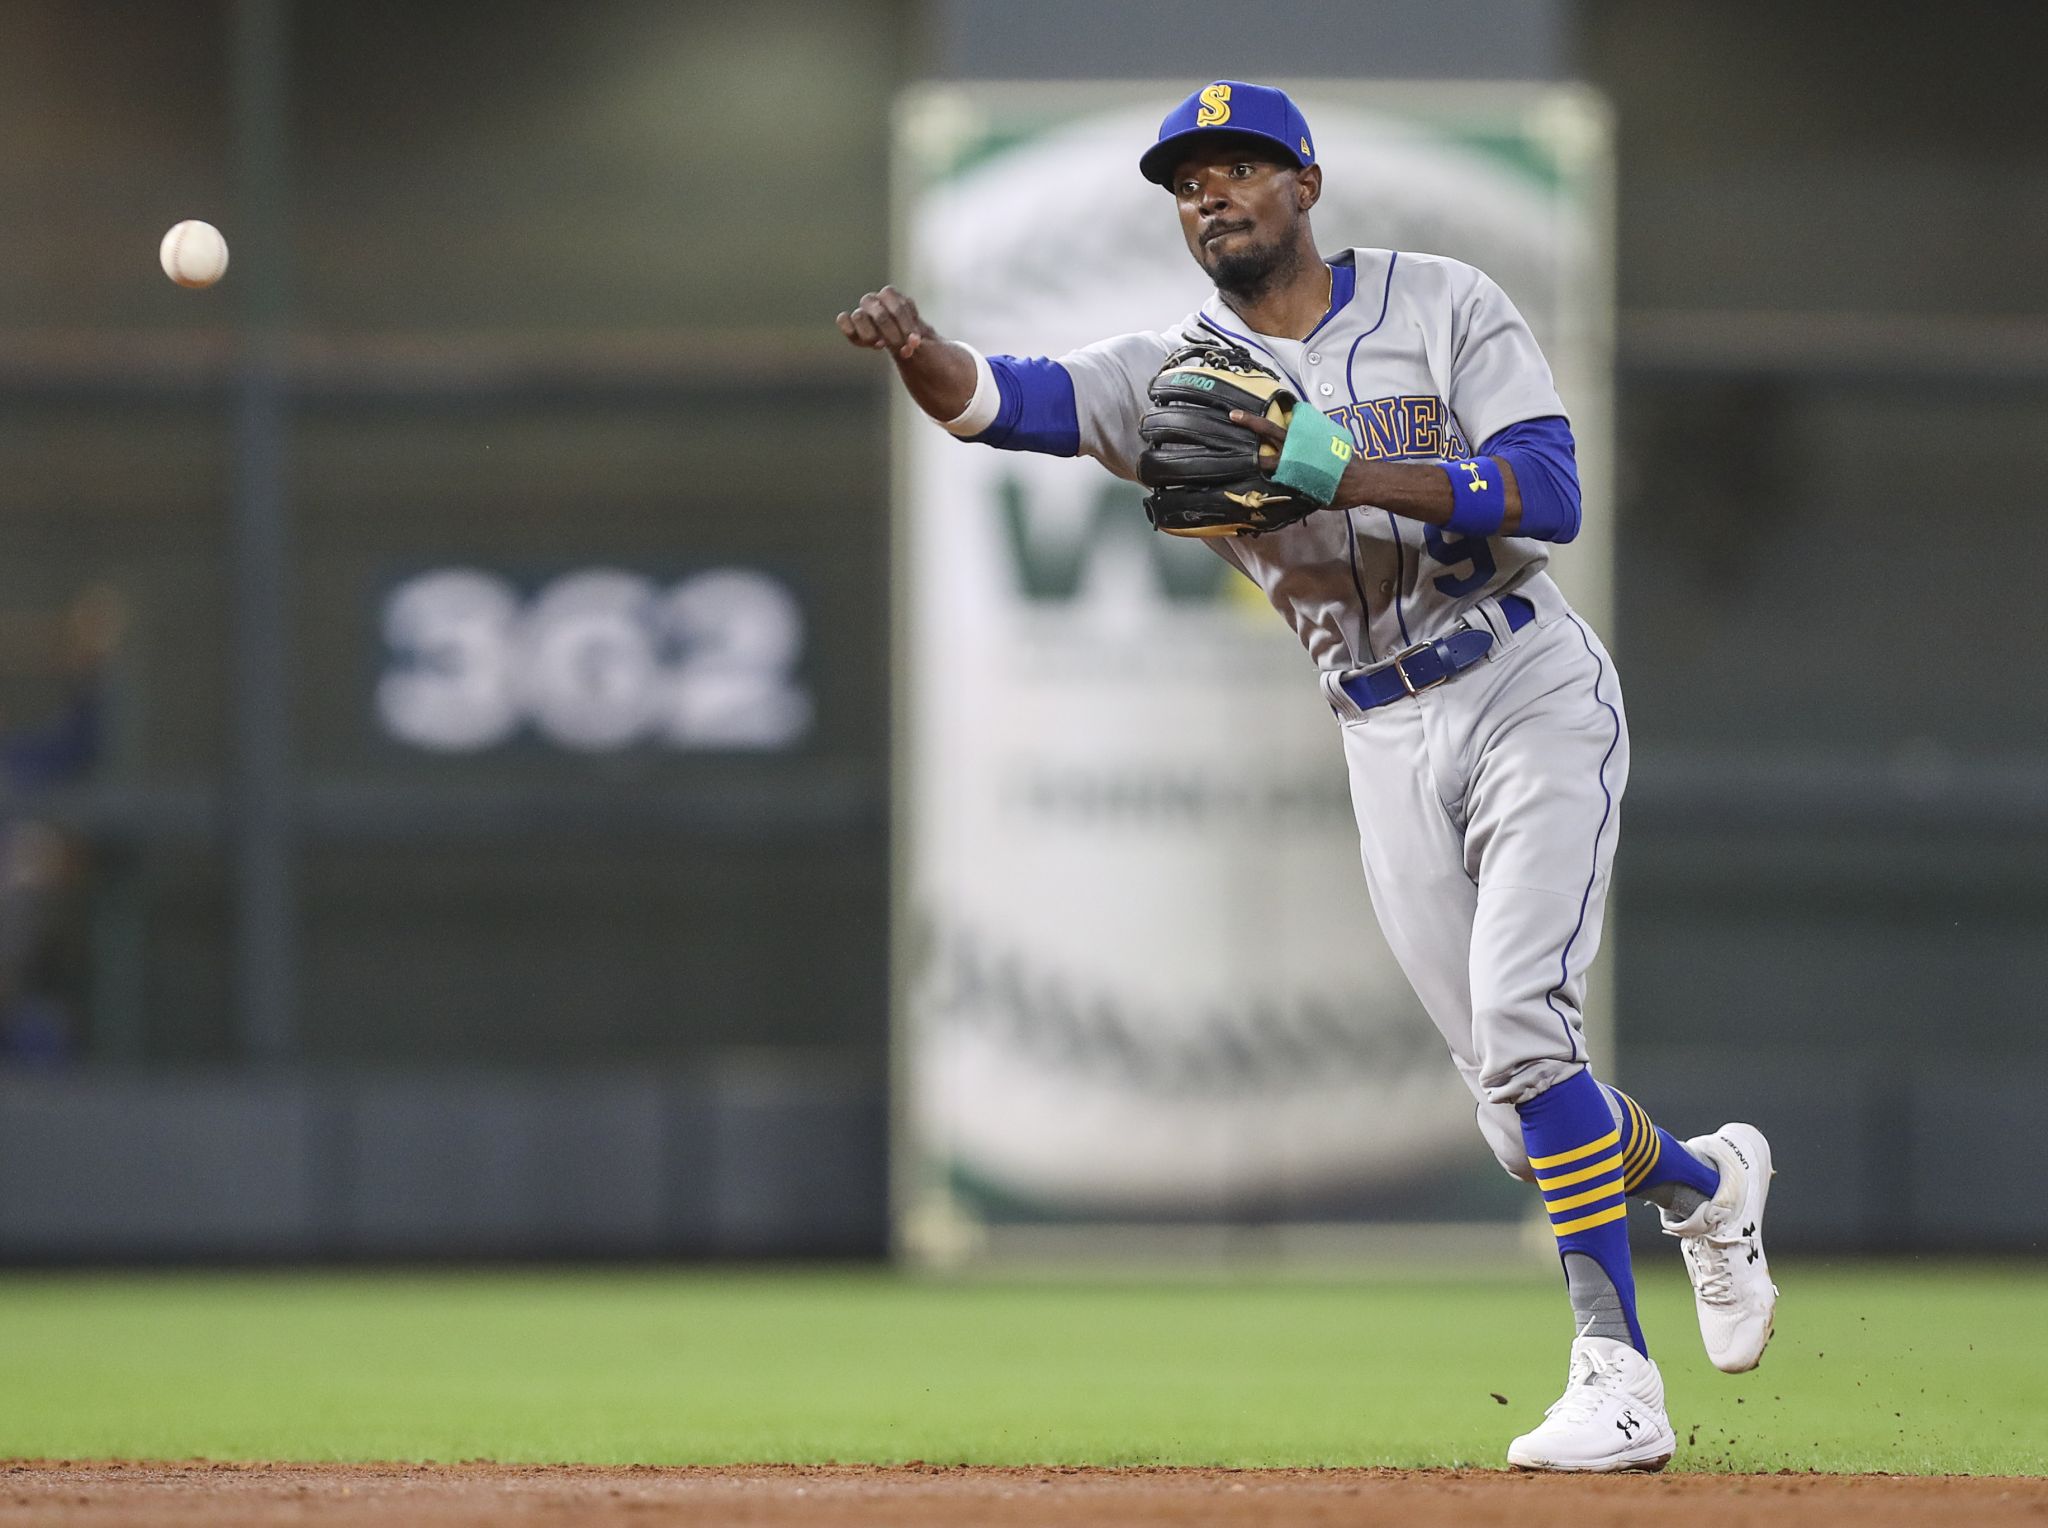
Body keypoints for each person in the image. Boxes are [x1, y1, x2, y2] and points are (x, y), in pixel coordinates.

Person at [840, 80, 1777, 1471]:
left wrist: (1339, 468)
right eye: (1186, 181)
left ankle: (1616, 1378)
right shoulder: (1169, 377)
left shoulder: (1446, 303)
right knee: (1529, 1130)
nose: (1209, 194)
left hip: (1521, 680)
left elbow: (1553, 493)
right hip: (1377, 726)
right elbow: (996, 402)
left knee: (1527, 1036)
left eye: (1239, 168)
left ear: (1308, 184)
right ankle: (1704, 1184)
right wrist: (917, 347)